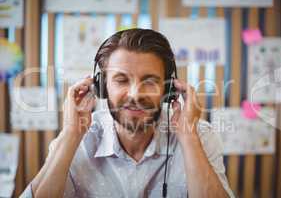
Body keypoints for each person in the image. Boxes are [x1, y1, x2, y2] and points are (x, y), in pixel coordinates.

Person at [21, 28, 234, 198]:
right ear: (102, 87)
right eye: (121, 80)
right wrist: (70, 134)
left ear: (169, 89)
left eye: (150, 81)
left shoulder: (200, 136)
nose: (135, 94)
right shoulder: (75, 140)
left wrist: (188, 137)